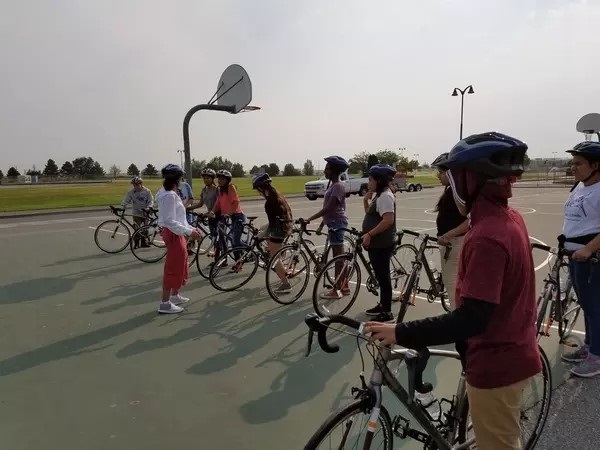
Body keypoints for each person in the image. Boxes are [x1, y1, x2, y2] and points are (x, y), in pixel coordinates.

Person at [364, 132, 541, 450]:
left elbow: (472, 317)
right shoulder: (508, 218)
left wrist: (401, 331)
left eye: (455, 174)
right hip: (513, 347)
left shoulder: (486, 235)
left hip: (496, 364)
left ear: (470, 179)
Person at [559, 141, 600, 378]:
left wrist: (588, 248)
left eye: (578, 163)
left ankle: (597, 356)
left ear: (595, 165)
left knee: (595, 307)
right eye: (572, 163)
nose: (572, 167)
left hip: (592, 259)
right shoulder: (579, 187)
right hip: (575, 257)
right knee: (587, 306)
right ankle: (590, 348)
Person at [155, 164, 202, 314]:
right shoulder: (169, 195)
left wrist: (189, 228)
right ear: (178, 178)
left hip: (176, 232)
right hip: (173, 232)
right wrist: (188, 231)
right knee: (173, 267)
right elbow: (169, 221)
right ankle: (164, 303)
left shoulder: (167, 192)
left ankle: (174, 295)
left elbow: (179, 217)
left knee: (182, 262)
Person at [303, 155, 350, 299]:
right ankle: (345, 287)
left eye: (327, 168)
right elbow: (329, 209)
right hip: (333, 223)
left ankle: (336, 290)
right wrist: (321, 225)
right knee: (338, 257)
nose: (325, 171)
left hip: (337, 224)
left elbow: (330, 208)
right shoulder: (333, 185)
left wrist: (310, 219)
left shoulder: (338, 186)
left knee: (338, 259)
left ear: (334, 171)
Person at [430, 153, 470, 309]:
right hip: (450, 243)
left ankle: (457, 324)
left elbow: (470, 220)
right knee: (454, 284)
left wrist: (448, 234)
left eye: (440, 172)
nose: (438, 176)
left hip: (455, 243)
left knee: (453, 284)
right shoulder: (451, 191)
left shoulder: (458, 193)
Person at [362, 164, 397, 322]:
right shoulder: (379, 195)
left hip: (382, 244)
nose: (368, 182)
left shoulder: (385, 196)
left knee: (383, 277)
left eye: (371, 179)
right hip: (376, 244)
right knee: (380, 276)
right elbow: (371, 214)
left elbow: (388, 220)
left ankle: (387, 311)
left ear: (379, 180)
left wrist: (369, 233)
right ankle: (382, 305)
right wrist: (365, 200)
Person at [252, 172, 294, 293]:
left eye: (257, 189)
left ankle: (286, 284)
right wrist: (264, 227)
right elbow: (274, 220)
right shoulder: (278, 196)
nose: (258, 192)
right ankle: (286, 269)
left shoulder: (269, 202)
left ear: (261, 188)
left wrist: (261, 234)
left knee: (273, 258)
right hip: (285, 226)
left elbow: (272, 225)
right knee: (273, 251)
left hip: (279, 230)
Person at [208, 169, 246, 266]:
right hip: (227, 216)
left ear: (227, 180)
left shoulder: (230, 187)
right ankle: (231, 260)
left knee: (235, 241)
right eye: (219, 179)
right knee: (225, 237)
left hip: (237, 216)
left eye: (222, 179)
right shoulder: (220, 190)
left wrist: (228, 214)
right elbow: (218, 203)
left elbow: (236, 202)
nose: (220, 181)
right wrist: (212, 211)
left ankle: (244, 256)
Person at [121, 176, 154, 248]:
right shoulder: (131, 192)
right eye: (134, 185)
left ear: (141, 184)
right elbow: (126, 200)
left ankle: (143, 242)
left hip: (145, 212)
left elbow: (151, 200)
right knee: (136, 228)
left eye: (136, 185)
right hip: (136, 213)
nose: (135, 186)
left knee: (145, 228)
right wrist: (122, 206)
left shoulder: (147, 191)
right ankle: (136, 243)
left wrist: (149, 207)